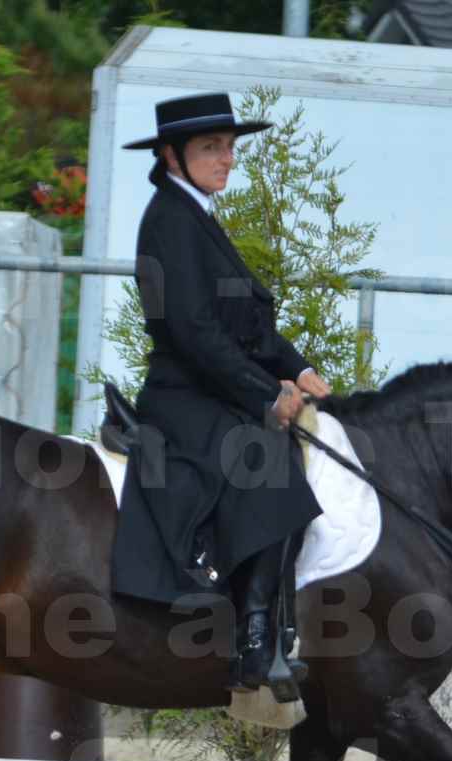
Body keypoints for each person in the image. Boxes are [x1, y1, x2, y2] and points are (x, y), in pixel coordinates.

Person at [109, 92, 331, 696]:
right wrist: (266, 395)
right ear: (170, 156)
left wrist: (300, 367)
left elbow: (245, 322)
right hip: (185, 396)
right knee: (266, 463)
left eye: (230, 148)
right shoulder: (167, 219)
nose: (227, 159)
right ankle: (256, 638)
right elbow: (192, 330)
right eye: (212, 147)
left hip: (212, 388)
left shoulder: (198, 215)